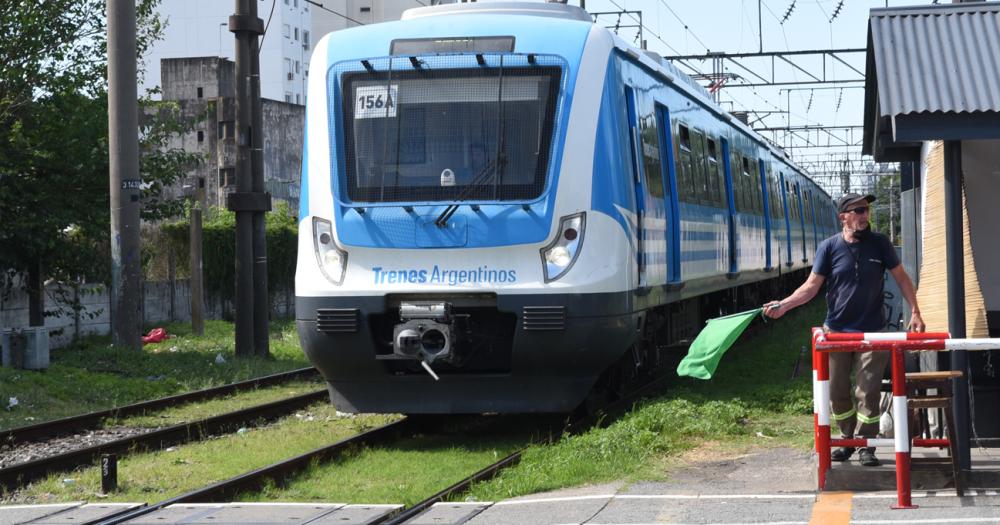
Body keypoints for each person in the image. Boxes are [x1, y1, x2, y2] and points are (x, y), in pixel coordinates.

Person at [763, 193, 925, 467]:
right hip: (837, 331)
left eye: (867, 210)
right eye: (859, 210)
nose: (865, 215)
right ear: (844, 217)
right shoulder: (829, 247)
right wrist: (784, 305)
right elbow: (811, 286)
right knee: (837, 390)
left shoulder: (880, 244)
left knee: (868, 390)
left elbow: (902, 278)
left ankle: (867, 445)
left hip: (873, 331)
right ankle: (847, 438)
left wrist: (916, 312)